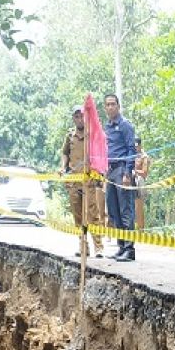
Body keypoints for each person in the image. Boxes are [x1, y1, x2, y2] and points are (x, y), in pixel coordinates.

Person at [61, 105, 106, 258]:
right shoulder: (70, 136)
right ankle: (83, 246)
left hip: (89, 180)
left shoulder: (92, 136)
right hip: (74, 181)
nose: (80, 119)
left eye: (82, 116)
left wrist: (99, 173)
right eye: (77, 116)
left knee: (93, 213)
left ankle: (98, 246)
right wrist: (63, 169)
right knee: (78, 215)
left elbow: (100, 154)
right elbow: (65, 153)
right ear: (73, 118)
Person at [103, 93, 137, 262]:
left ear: (118, 106)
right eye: (107, 105)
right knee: (113, 210)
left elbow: (132, 149)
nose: (110, 107)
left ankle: (130, 249)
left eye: (113, 104)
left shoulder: (125, 125)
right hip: (110, 170)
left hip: (122, 170)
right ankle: (121, 245)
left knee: (126, 210)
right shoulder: (107, 127)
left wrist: (127, 173)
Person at [133, 137, 151, 231]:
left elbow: (144, 172)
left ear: (140, 145)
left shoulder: (144, 157)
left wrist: (134, 171)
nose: (135, 148)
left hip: (139, 182)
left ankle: (140, 228)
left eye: (137, 146)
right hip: (130, 181)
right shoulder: (131, 155)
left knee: (138, 206)